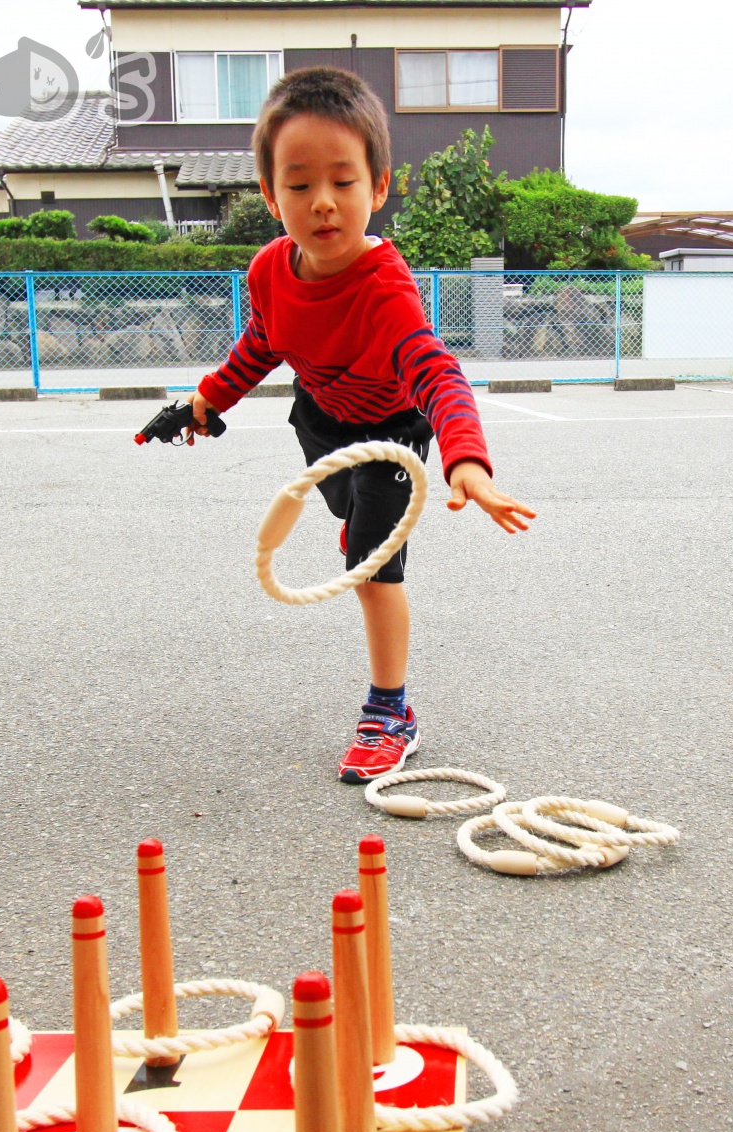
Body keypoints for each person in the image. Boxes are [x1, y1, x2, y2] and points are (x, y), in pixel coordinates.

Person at [184, 66, 536, 783]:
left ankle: (389, 711)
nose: (322, 203)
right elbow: (263, 342)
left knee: (372, 568)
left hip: (391, 437)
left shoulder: (385, 291)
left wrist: (465, 459)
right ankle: (358, 527)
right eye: (300, 183)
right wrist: (206, 402)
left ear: (377, 187)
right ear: (269, 194)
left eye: (343, 183)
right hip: (319, 424)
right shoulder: (268, 271)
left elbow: (436, 371)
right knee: (353, 523)